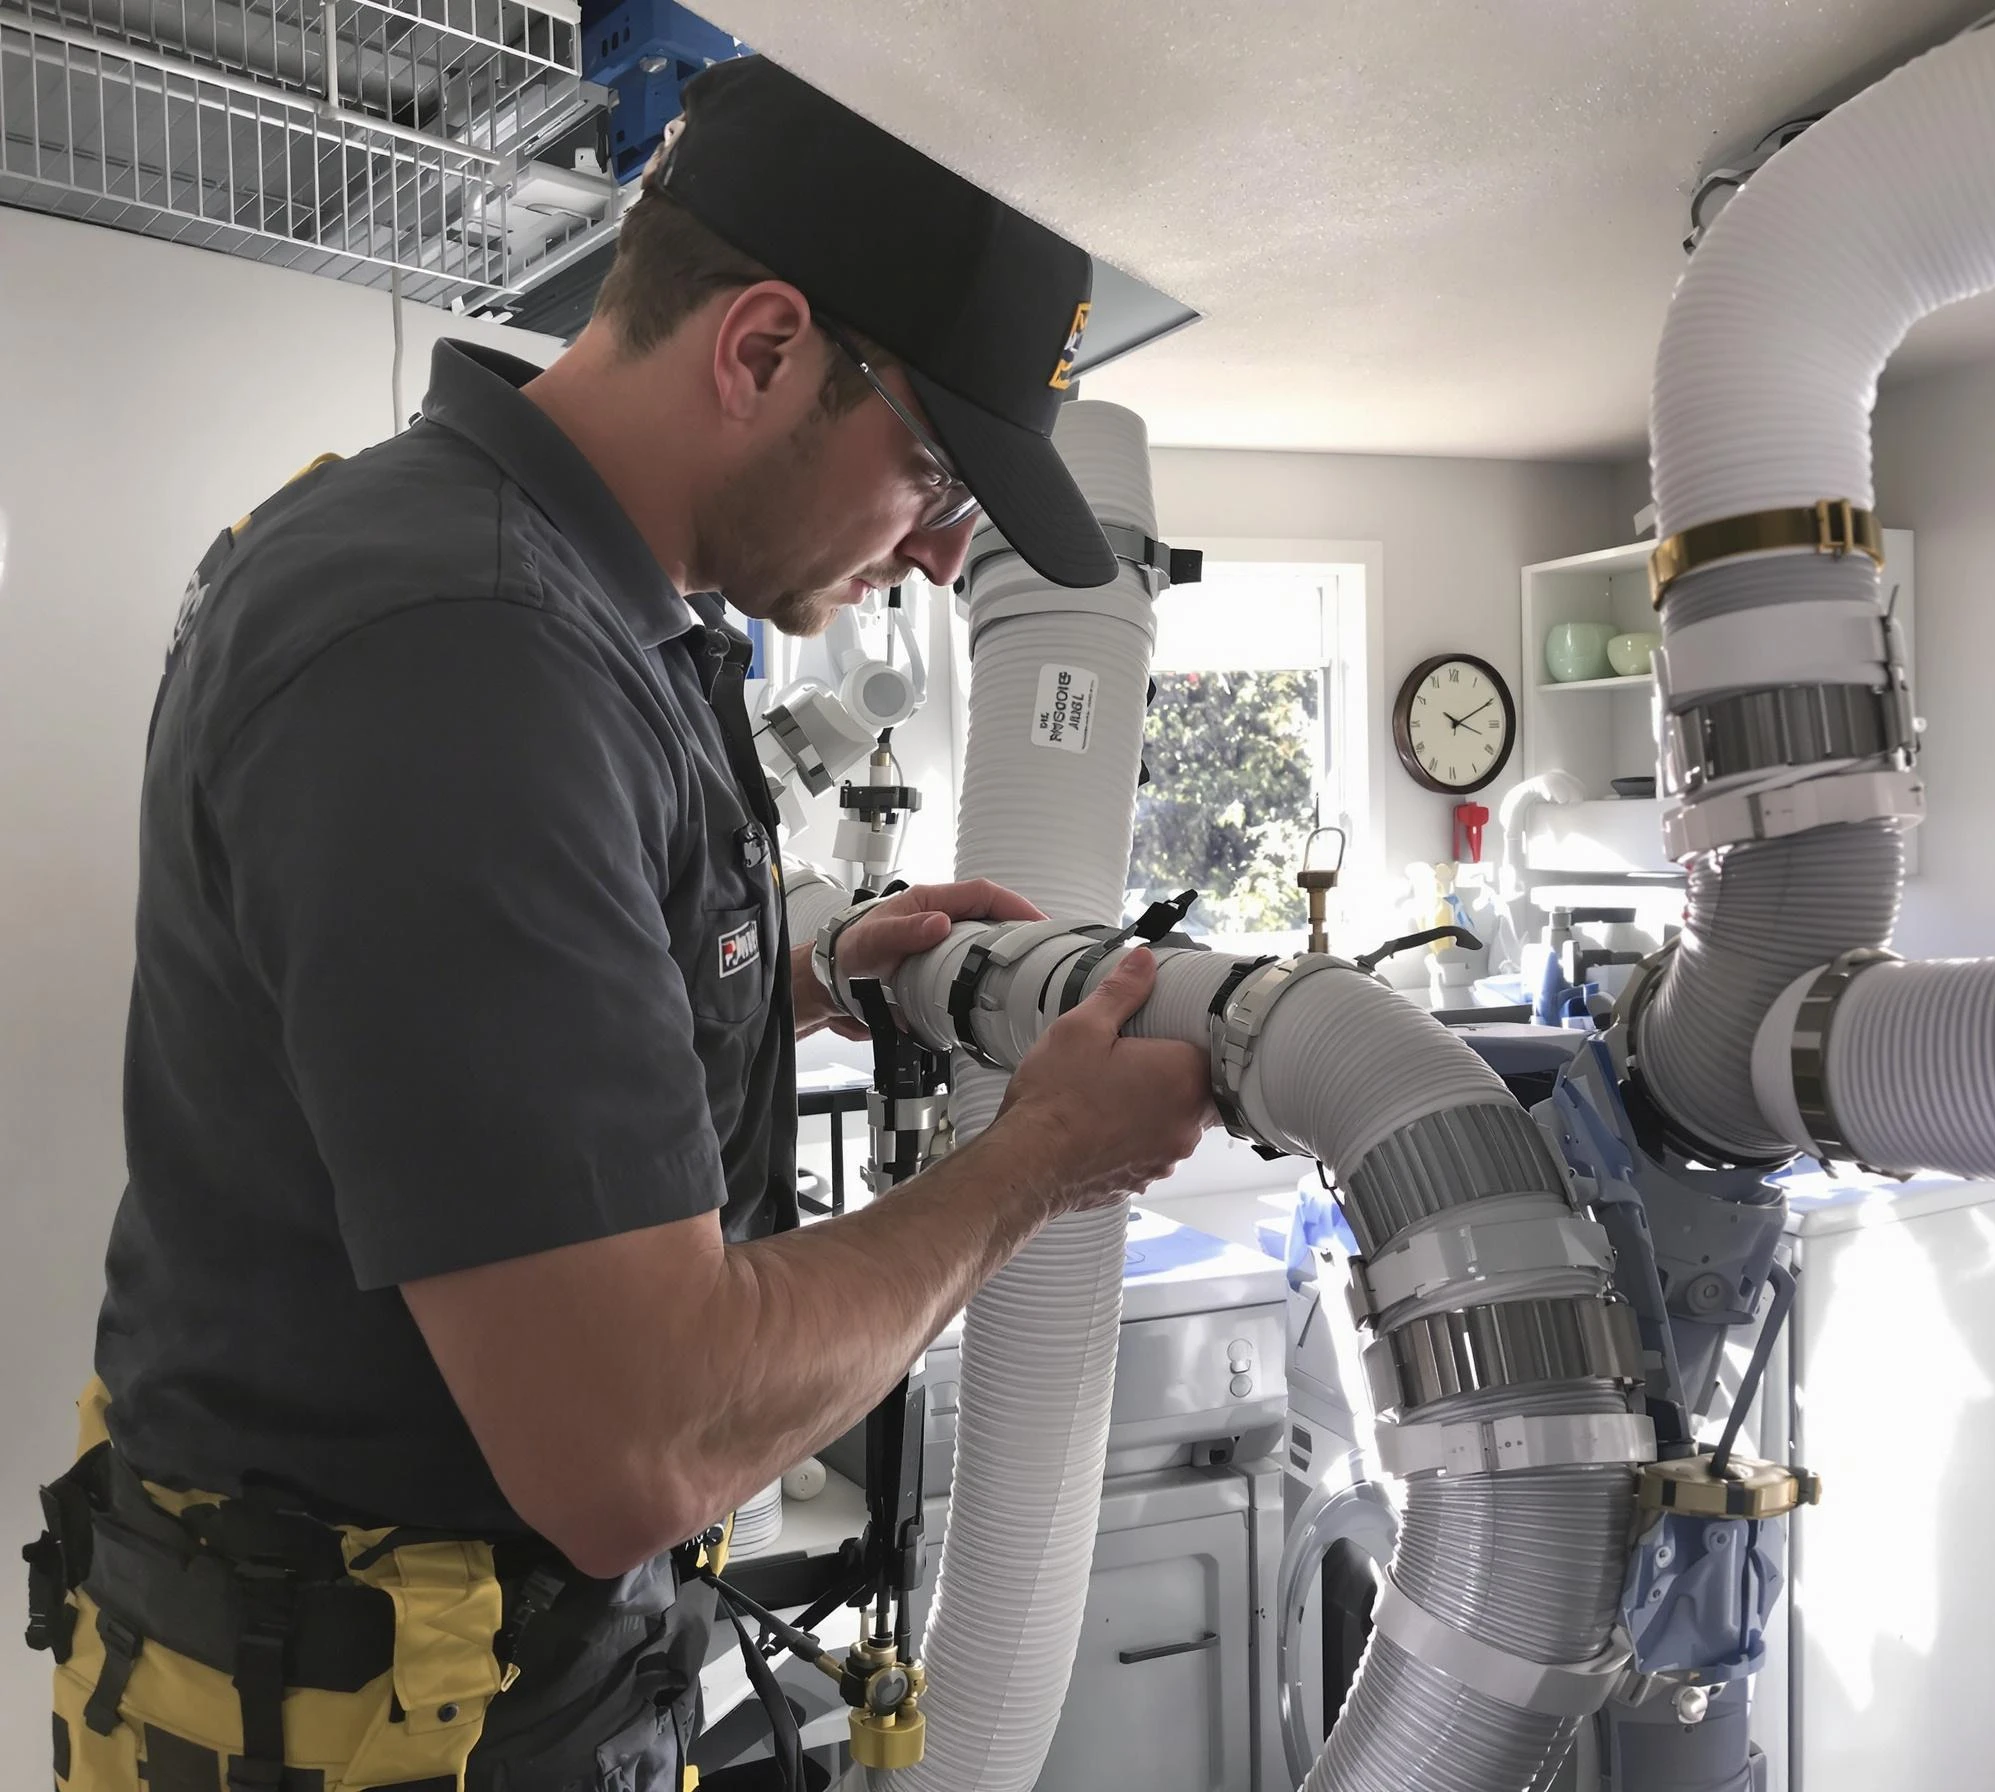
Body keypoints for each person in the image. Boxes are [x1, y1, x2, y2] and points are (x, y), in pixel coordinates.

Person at [27, 54, 1215, 1792]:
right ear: (760, 350)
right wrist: (1042, 1160)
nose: (946, 553)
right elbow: (637, 1438)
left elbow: (463, 1038)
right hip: (357, 1737)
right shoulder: (465, 652)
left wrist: (810, 969)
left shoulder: (558, 601)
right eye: (937, 471)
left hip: (475, 1689)